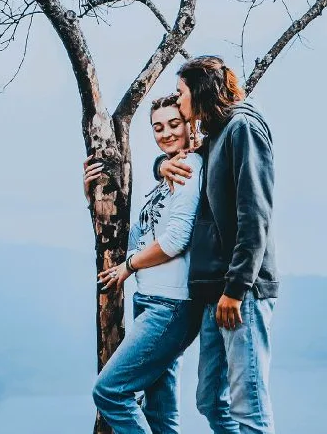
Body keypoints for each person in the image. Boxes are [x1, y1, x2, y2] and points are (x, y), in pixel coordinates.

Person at [154, 57, 278, 434]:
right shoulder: (218, 133)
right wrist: (161, 163)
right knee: (210, 400)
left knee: (249, 407)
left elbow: (254, 215)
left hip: (241, 292)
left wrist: (236, 289)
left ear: (201, 90)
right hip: (214, 293)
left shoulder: (243, 128)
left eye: (181, 93)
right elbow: (183, 162)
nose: (179, 101)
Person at [84, 95, 203, 434]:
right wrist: (92, 196)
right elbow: (136, 235)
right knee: (160, 413)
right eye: (158, 127)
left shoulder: (190, 169)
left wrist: (128, 268)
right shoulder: (166, 173)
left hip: (172, 305)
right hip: (151, 302)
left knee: (109, 392)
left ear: (190, 124)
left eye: (174, 124)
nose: (165, 133)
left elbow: (176, 240)